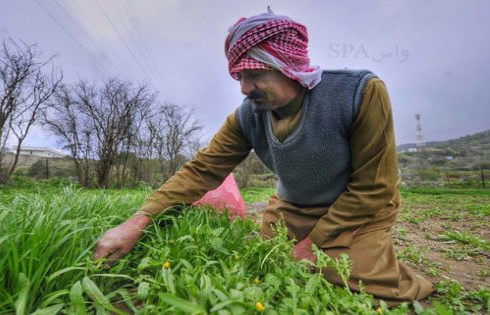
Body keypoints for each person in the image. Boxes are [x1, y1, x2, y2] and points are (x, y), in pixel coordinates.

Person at [93, 10, 434, 306]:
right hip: (292, 209)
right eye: (240, 76)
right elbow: (201, 170)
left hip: (357, 209)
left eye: (254, 74)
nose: (244, 87)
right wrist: (138, 221)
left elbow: (375, 186)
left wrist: (312, 244)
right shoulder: (247, 116)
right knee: (269, 269)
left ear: (287, 67)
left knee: (350, 282)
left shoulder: (359, 93)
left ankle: (407, 280)